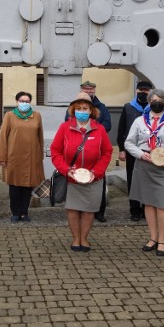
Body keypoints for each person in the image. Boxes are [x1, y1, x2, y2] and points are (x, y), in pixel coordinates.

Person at [124, 89, 164, 256]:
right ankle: (152, 238)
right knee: (149, 203)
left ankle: (162, 239)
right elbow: (129, 143)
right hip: (145, 165)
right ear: (149, 102)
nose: (156, 102)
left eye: (160, 100)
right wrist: (140, 154)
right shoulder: (139, 121)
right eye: (153, 100)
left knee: (163, 204)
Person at [51, 92, 113, 252]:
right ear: (73, 110)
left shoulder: (99, 129)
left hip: (94, 178)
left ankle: (84, 238)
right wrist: (66, 170)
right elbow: (55, 151)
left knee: (89, 210)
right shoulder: (65, 128)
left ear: (91, 110)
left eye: (85, 108)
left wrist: (97, 172)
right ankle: (75, 238)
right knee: (72, 209)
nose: (82, 111)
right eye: (78, 108)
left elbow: (107, 152)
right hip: (72, 178)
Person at [65, 81, 111, 222]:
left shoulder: (102, 107)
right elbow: (58, 148)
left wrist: (93, 130)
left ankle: (99, 212)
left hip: (94, 170)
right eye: (86, 89)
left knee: (96, 195)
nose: (82, 111)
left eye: (91, 90)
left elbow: (108, 125)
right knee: (74, 204)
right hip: (73, 171)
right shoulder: (66, 123)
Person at [0, 91, 45, 222]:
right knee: (15, 185)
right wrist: (2, 157)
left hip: (32, 157)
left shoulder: (36, 116)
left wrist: (40, 156)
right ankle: (15, 212)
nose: (25, 103)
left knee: (28, 185)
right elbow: (2, 137)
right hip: (14, 157)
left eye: (27, 101)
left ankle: (24, 211)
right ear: (17, 102)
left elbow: (40, 136)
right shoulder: (9, 116)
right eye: (22, 101)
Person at [117, 80, 153, 221]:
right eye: (140, 91)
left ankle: (146, 209)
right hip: (132, 150)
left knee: (147, 180)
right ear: (136, 91)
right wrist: (122, 149)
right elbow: (121, 129)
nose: (143, 93)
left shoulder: (154, 108)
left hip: (149, 150)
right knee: (133, 180)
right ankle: (135, 210)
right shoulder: (128, 107)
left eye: (146, 91)